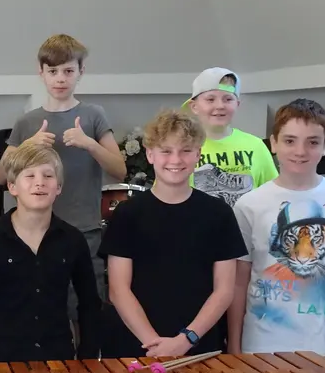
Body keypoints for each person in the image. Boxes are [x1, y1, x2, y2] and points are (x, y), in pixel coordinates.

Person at [230, 98, 325, 357]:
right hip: (263, 348)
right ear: (273, 143)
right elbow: (239, 282)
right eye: (290, 140)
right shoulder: (249, 204)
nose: (300, 151)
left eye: (312, 142)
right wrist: (234, 346)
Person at [100, 109, 246, 359]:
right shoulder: (127, 214)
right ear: (150, 154)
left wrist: (186, 340)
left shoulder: (219, 213)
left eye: (185, 150)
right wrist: (155, 345)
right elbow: (118, 290)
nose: (175, 160)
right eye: (166, 151)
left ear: (198, 154)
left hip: (199, 346)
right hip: (138, 347)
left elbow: (224, 290)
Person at [0, 34, 126, 302]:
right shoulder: (27, 122)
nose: (60, 79)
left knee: (85, 303)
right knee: (39, 303)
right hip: (35, 230)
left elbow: (119, 170)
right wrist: (26, 146)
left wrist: (90, 144)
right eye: (53, 71)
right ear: (41, 72)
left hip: (84, 228)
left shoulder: (93, 115)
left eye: (68, 71)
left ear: (81, 72)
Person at [0, 141, 101, 364]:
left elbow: (89, 302)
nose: (39, 183)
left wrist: (88, 356)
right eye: (30, 176)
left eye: (48, 176)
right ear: (12, 186)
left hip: (59, 358)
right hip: (4, 360)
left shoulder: (73, 239)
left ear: (59, 187)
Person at [186, 67, 277, 206]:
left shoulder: (256, 146)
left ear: (237, 104)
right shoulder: (182, 148)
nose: (220, 106)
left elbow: (274, 197)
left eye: (228, 99)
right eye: (210, 99)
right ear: (194, 106)